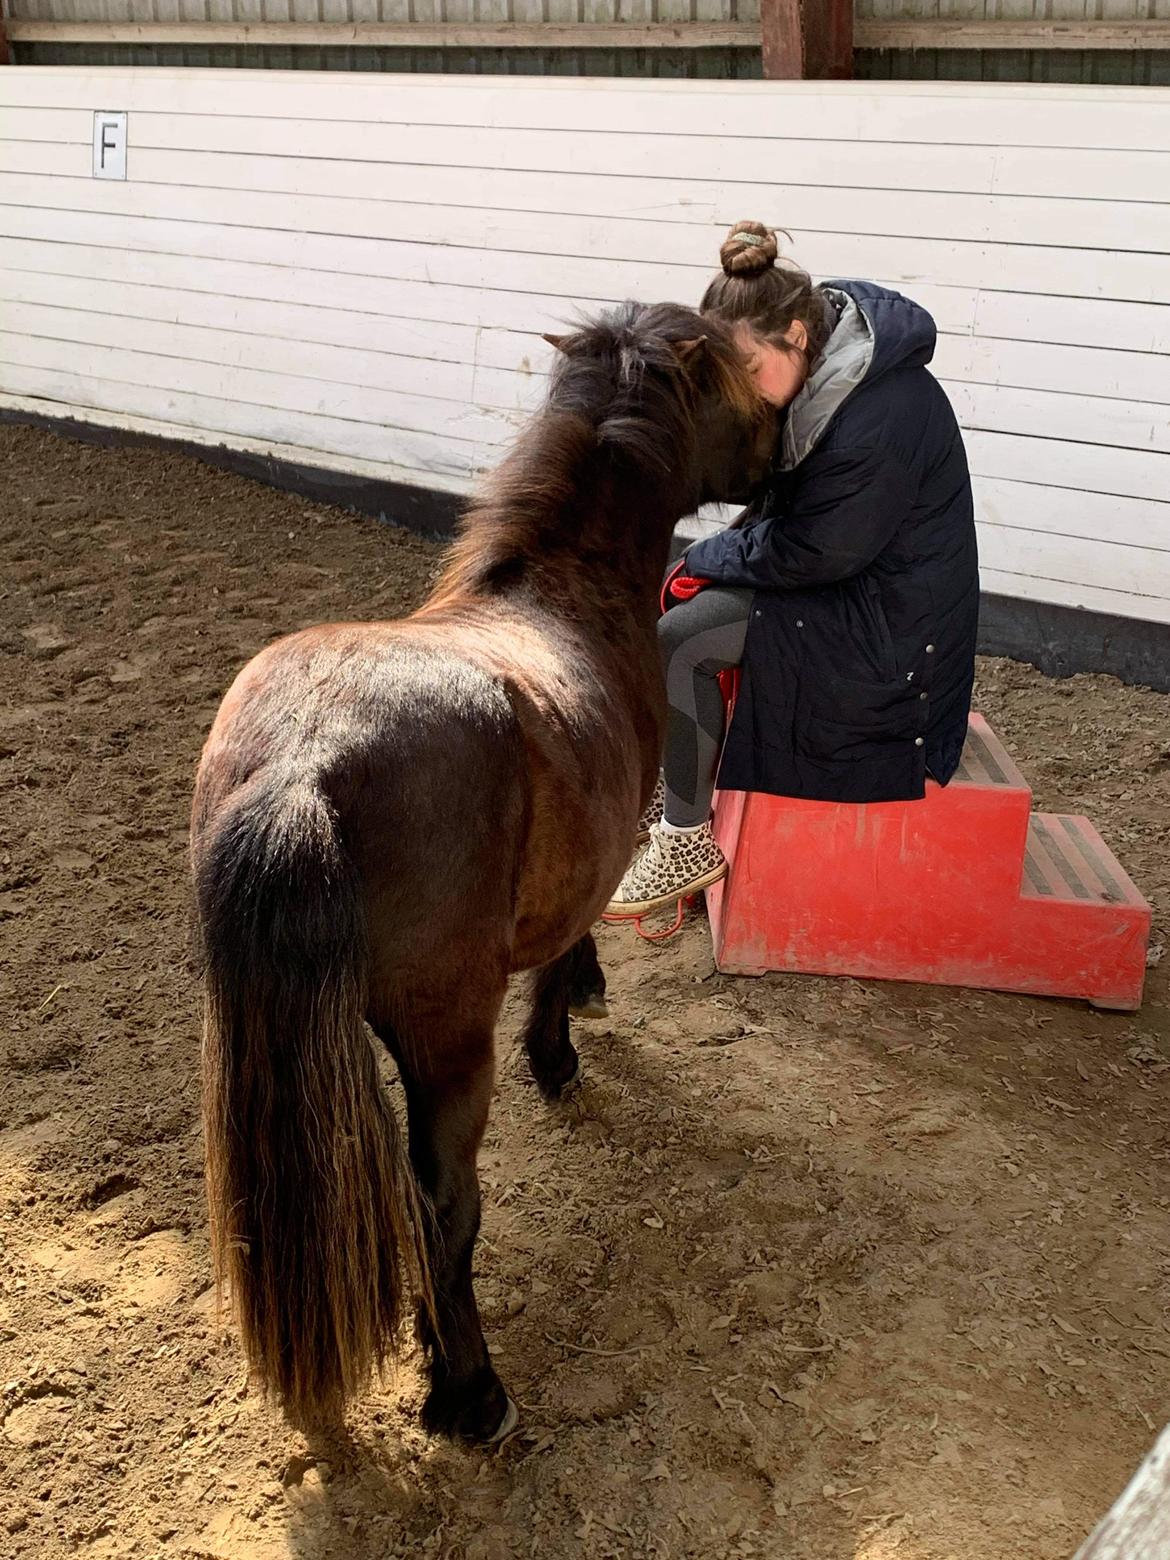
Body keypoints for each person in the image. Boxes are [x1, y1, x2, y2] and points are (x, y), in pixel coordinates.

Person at [605, 220, 980, 920]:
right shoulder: (828, 377)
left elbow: (821, 549)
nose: (746, 392)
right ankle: (671, 795)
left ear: (798, 338)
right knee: (680, 604)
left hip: (893, 638)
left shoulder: (881, 413)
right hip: (858, 588)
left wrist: (702, 559)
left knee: (685, 638)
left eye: (749, 372)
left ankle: (686, 842)